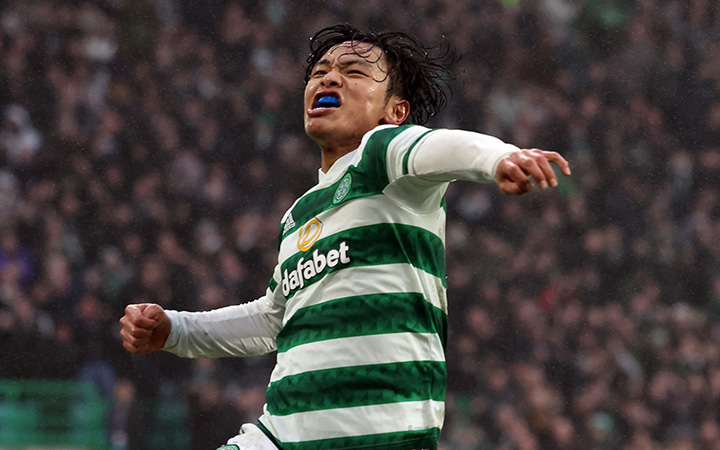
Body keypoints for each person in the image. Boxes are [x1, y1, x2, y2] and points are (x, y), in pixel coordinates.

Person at [119, 24, 571, 450]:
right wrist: (175, 329)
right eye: (320, 71)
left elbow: (439, 146)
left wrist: (499, 158)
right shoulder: (298, 216)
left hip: (382, 434)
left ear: (395, 112)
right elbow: (274, 319)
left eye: (354, 72)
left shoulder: (382, 157)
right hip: (281, 435)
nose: (329, 78)